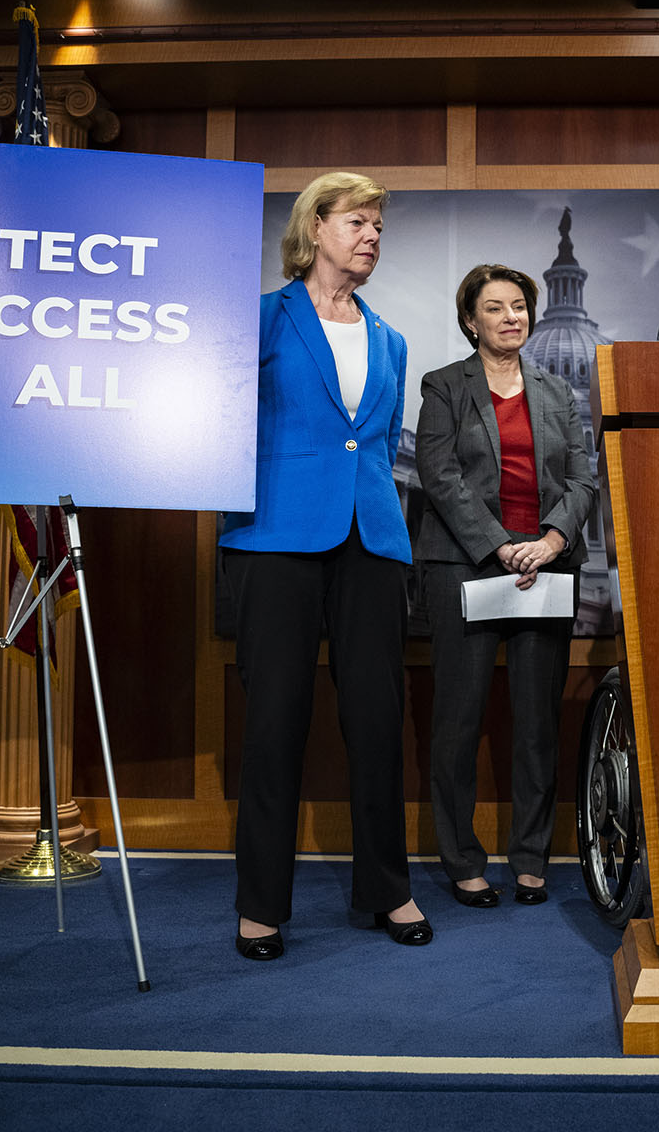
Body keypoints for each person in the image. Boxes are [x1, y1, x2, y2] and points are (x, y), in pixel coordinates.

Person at [219, 171, 431, 960]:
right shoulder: (257, 321)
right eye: (357, 221)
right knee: (275, 722)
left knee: (377, 722)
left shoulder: (392, 340)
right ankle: (260, 908)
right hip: (274, 536)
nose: (372, 235)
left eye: (379, 225)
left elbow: (374, 446)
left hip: (371, 541)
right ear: (314, 229)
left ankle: (388, 890)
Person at [415, 264, 596, 908]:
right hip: (465, 566)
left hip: (545, 568)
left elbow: (582, 480)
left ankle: (529, 857)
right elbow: (439, 476)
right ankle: (462, 859)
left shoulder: (556, 392)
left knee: (536, 724)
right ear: (471, 321)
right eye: (496, 308)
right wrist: (499, 545)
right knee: (458, 722)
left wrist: (548, 542)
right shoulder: (443, 387)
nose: (512, 317)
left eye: (520, 306)